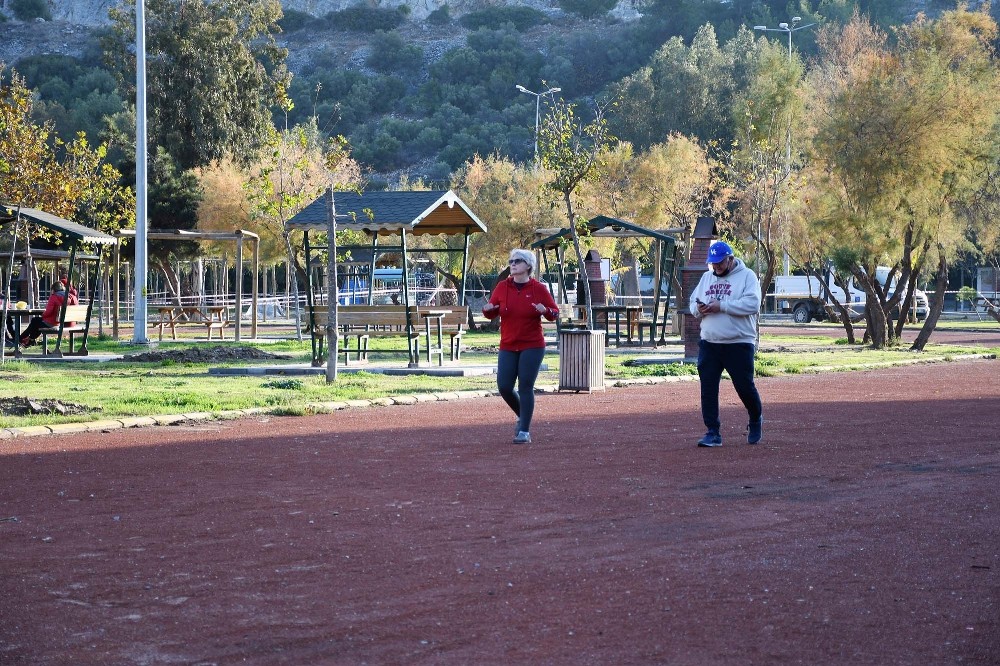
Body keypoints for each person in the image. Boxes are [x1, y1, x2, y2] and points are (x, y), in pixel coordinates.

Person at [689, 240, 764, 447]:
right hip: (710, 343)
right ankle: (712, 432)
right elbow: (693, 302)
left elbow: (753, 304)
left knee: (744, 386)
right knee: (708, 388)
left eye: (720, 262)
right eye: (713, 263)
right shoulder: (707, 277)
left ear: (730, 259)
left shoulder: (747, 276)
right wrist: (699, 309)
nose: (717, 267)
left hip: (738, 342)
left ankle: (755, 417)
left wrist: (721, 306)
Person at [482, 249, 558, 444]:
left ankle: (524, 430)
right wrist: (488, 310)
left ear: (528, 266)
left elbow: (554, 313)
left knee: (525, 386)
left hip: (532, 345)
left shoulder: (538, 288)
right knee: (504, 387)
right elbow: (492, 311)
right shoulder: (502, 287)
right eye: (511, 261)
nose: (513, 264)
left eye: (517, 261)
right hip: (508, 344)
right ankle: (523, 416)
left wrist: (545, 310)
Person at [20, 281, 78, 347]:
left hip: (51, 323)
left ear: (54, 289)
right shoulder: (68, 298)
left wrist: (43, 315)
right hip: (59, 323)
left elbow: (48, 312)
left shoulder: (54, 297)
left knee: (35, 321)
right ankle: (29, 339)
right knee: (36, 322)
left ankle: (21, 339)